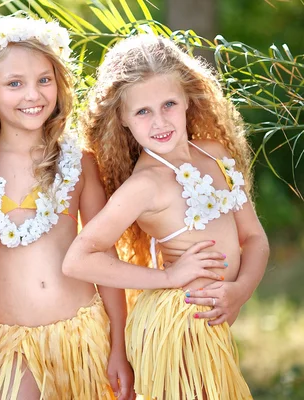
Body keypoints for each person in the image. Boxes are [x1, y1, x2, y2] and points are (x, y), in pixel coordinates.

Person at [63, 34, 269, 399]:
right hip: (177, 326)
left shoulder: (217, 154)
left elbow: (254, 238)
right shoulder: (145, 185)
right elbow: (78, 259)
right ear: (122, 118)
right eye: (142, 111)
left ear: (188, 97)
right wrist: (168, 276)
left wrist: (240, 291)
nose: (159, 121)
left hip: (211, 320)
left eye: (169, 104)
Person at [0, 15, 134, 400]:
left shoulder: (80, 162)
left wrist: (119, 345)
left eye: (44, 80)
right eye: (15, 84)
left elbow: (105, 254)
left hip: (81, 334)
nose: (33, 95)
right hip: (11, 343)